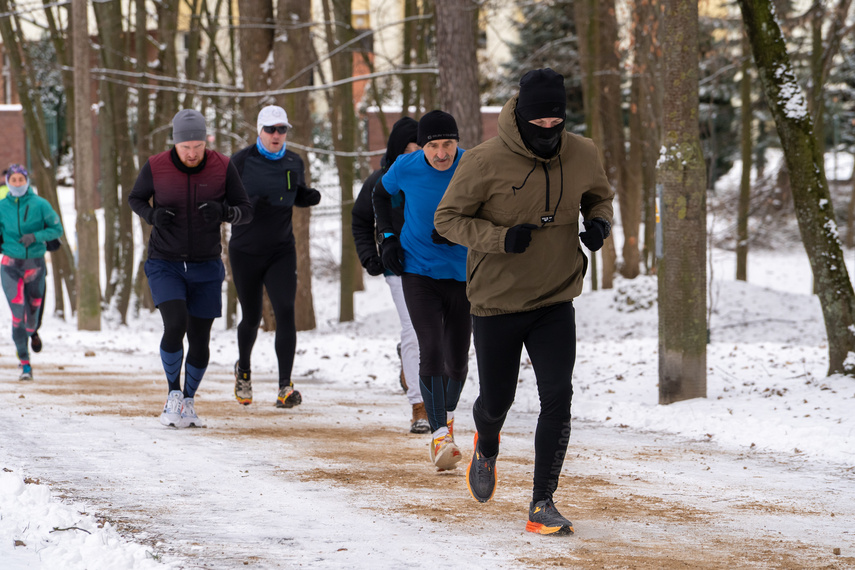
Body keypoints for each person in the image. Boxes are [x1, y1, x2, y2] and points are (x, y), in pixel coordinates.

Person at [434, 68, 614, 535]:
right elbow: (448, 219)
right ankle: (486, 442)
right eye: (541, 126)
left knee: (558, 396)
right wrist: (498, 238)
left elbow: (600, 197)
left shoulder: (583, 152)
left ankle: (542, 503)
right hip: (497, 302)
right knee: (498, 400)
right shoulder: (484, 161)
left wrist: (599, 223)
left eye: (558, 125)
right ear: (523, 117)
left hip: (556, 296)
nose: (550, 134)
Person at [129, 109, 252, 428]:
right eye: (186, 147)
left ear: (206, 140)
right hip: (164, 262)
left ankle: (188, 400)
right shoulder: (156, 166)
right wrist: (152, 216)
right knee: (175, 324)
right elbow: (136, 198)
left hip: (206, 264)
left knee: (200, 339)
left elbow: (246, 210)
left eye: (198, 146)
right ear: (175, 143)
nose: (193, 153)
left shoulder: (223, 166)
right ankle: (172, 393)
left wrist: (224, 212)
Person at [373, 110, 471, 470]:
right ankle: (439, 434)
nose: (441, 154)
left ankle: (444, 415)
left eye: (448, 145)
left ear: (457, 143)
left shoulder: (472, 166)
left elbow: (491, 208)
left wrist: (458, 229)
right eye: (433, 146)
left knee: (457, 359)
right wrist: (387, 238)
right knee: (429, 345)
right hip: (418, 271)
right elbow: (379, 196)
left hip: (462, 274)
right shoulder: (406, 166)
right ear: (424, 146)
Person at [228, 105, 320, 409]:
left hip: (281, 249)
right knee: (252, 317)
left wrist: (306, 197)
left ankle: (285, 386)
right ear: (259, 131)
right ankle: (243, 370)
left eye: (282, 129)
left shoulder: (294, 161)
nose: (277, 135)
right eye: (270, 129)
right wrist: (246, 208)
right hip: (245, 251)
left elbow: (297, 191)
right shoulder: (240, 162)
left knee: (285, 312)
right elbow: (223, 202)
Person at [352, 117, 430, 434]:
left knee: (436, 332)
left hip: (435, 264)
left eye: (418, 152)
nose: (413, 159)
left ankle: (412, 368)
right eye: (407, 153)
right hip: (397, 266)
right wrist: (370, 255)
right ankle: (419, 406)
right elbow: (359, 220)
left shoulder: (435, 178)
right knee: (414, 329)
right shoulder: (379, 181)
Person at [0, 164, 63, 380]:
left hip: (35, 265)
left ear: (26, 181)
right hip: (10, 266)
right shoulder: (1, 206)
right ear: (8, 181)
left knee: (31, 319)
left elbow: (57, 229)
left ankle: (32, 332)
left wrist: (35, 236)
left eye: (21, 179)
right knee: (18, 315)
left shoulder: (40, 204)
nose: (17, 183)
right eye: (13, 179)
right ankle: (25, 364)